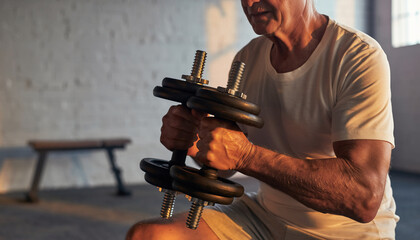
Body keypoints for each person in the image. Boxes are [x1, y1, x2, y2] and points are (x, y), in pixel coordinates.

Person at [126, 0, 399, 239]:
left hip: (345, 233)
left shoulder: (357, 56)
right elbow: (223, 169)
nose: (250, 2)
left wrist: (247, 156)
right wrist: (196, 142)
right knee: (147, 236)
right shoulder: (248, 57)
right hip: (264, 216)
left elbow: (363, 196)